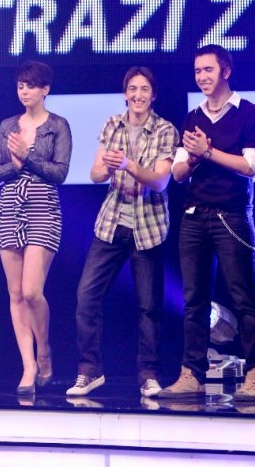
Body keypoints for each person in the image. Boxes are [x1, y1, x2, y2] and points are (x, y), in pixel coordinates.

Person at [160, 44, 255, 401]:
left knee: (244, 297)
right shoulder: (193, 117)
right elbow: (178, 174)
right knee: (194, 300)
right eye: (197, 71)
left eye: (208, 70)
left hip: (232, 216)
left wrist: (208, 152)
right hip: (195, 215)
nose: (202, 77)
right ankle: (191, 373)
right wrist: (193, 158)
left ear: (226, 71)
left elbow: (250, 166)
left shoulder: (251, 114)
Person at [66, 67, 178, 399]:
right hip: (111, 223)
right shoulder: (112, 125)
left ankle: (148, 375)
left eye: (144, 89)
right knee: (86, 297)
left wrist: (129, 165)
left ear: (153, 95)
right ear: (125, 93)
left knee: (149, 307)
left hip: (148, 227)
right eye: (132, 89)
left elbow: (161, 181)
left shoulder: (165, 130)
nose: (138, 95)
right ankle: (89, 370)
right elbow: (95, 174)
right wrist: (107, 168)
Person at [0, 61, 72, 396]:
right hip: (10, 207)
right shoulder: (8, 125)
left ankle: (44, 349)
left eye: (31, 86)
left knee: (31, 292)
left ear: (45, 89)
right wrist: (14, 164)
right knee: (14, 293)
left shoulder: (58, 125)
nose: (24, 92)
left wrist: (28, 158)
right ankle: (29, 365)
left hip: (42, 207)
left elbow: (60, 172)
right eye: (20, 86)